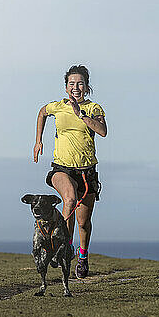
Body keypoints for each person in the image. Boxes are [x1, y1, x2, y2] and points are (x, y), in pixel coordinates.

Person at [33, 65, 107, 279]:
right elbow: (42, 112)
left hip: (87, 172)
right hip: (61, 168)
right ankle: (61, 247)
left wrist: (80, 113)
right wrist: (38, 141)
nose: (76, 87)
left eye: (80, 83)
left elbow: (102, 131)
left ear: (87, 86)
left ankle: (82, 255)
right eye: (72, 84)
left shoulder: (94, 108)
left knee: (84, 223)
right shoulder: (58, 106)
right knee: (69, 199)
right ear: (66, 87)